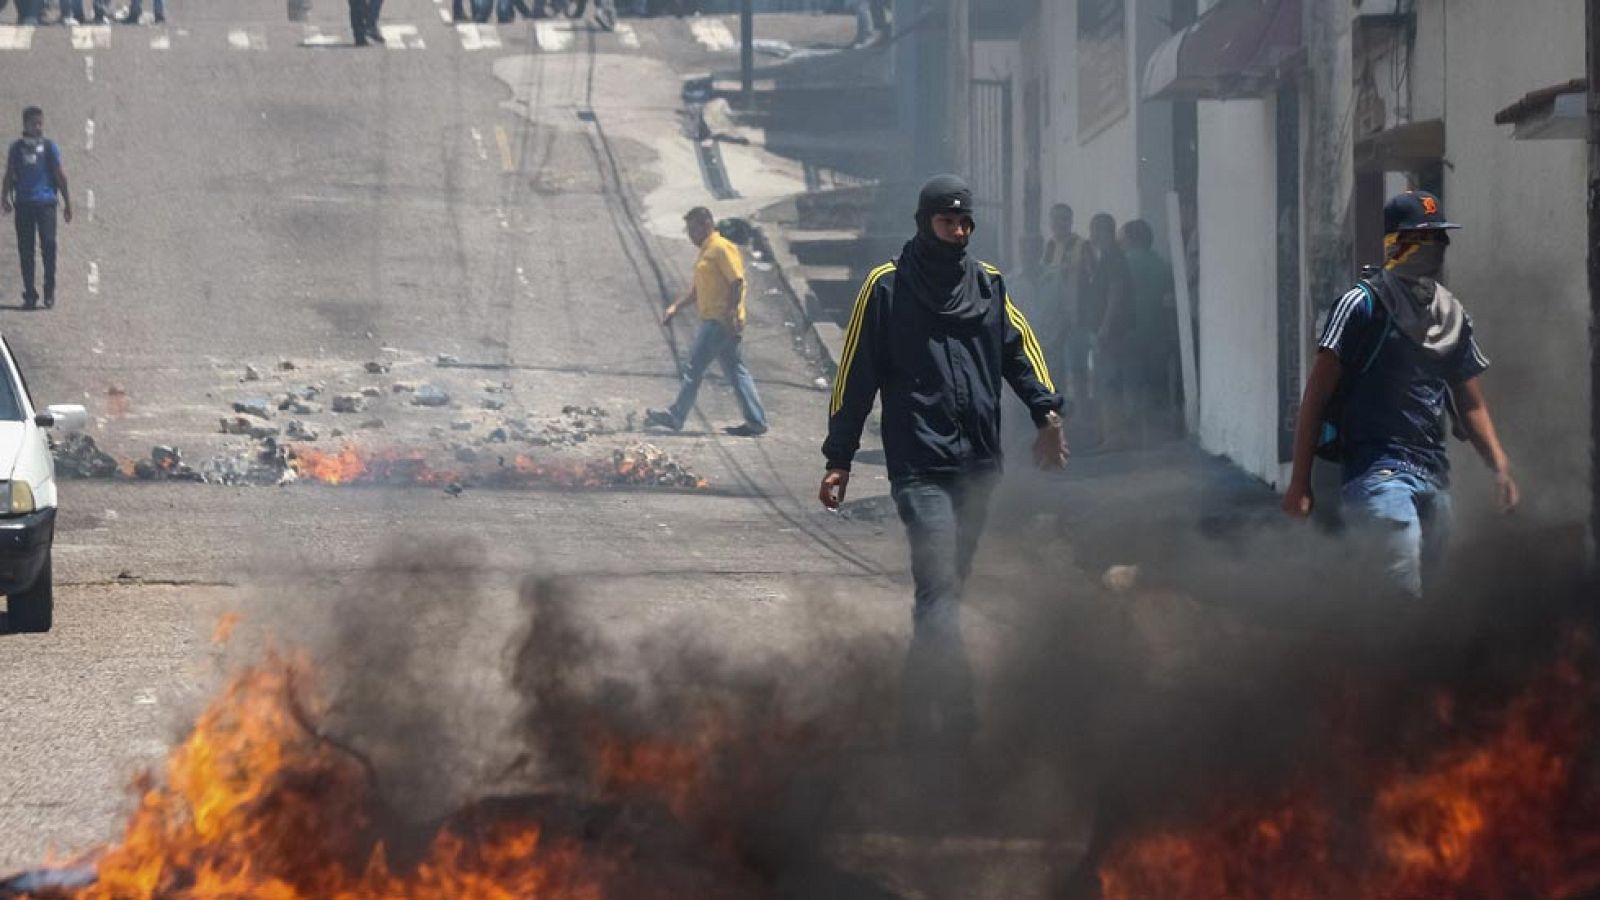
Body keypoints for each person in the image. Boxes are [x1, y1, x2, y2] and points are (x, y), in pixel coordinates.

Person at [819, 175, 1067, 747]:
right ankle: (958, 718)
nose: (957, 232)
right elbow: (855, 375)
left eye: (964, 223)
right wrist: (840, 459)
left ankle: (911, 713)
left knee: (945, 590)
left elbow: (1021, 353)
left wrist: (1047, 415)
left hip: (979, 466)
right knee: (938, 587)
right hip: (918, 466)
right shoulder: (886, 287)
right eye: (946, 222)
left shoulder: (988, 285)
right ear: (923, 222)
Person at [1283, 191, 1518, 600]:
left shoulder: (1450, 315)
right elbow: (1316, 398)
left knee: (1433, 600)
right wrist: (1299, 484)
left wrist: (1499, 465)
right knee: (1400, 588)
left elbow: (1470, 402)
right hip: (1377, 472)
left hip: (1433, 475)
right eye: (1423, 240)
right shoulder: (1361, 305)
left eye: (1440, 239)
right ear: (1395, 245)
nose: (1435, 250)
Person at [645, 207, 770, 437]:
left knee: (693, 367)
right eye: (688, 229)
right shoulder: (706, 250)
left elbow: (737, 281)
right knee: (736, 370)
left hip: (719, 320)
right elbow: (697, 291)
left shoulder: (720, 247)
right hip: (719, 319)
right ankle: (756, 420)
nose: (690, 234)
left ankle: (676, 415)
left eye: (693, 229)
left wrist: (732, 310)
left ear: (706, 225)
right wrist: (676, 307)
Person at [2, 107, 73, 310]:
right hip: (24, 204)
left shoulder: (49, 148)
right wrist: (4, 197)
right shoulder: (16, 149)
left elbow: (60, 176)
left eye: (40, 123)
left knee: (49, 246)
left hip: (46, 204)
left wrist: (67, 203)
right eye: (34, 124)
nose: (38, 127)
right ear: (25, 125)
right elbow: (9, 174)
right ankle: (30, 294)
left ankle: (49, 290)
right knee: (26, 250)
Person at [1118, 219, 1177, 444]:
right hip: (1158, 334)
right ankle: (1160, 435)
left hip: (1130, 335)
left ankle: (1135, 437)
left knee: (1132, 386)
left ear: (1132, 239)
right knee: (1158, 387)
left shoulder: (1123, 264)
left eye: (1123, 238)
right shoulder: (1163, 265)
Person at [1079, 212, 1133, 447]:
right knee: (1105, 381)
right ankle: (1111, 433)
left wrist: (1104, 326)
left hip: (1111, 332)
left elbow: (1115, 293)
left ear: (1102, 231)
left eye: (1094, 231)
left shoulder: (1113, 257)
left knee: (1108, 382)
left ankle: (1114, 436)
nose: (1091, 236)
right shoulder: (1108, 257)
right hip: (1108, 330)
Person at [1038, 203, 1085, 418]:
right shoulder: (1048, 246)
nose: (1058, 223)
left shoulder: (1082, 246)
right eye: (1055, 219)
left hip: (1076, 315)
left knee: (1076, 365)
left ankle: (1081, 412)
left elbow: (1091, 280)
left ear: (1070, 221)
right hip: (1052, 318)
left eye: (1063, 219)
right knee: (1053, 366)